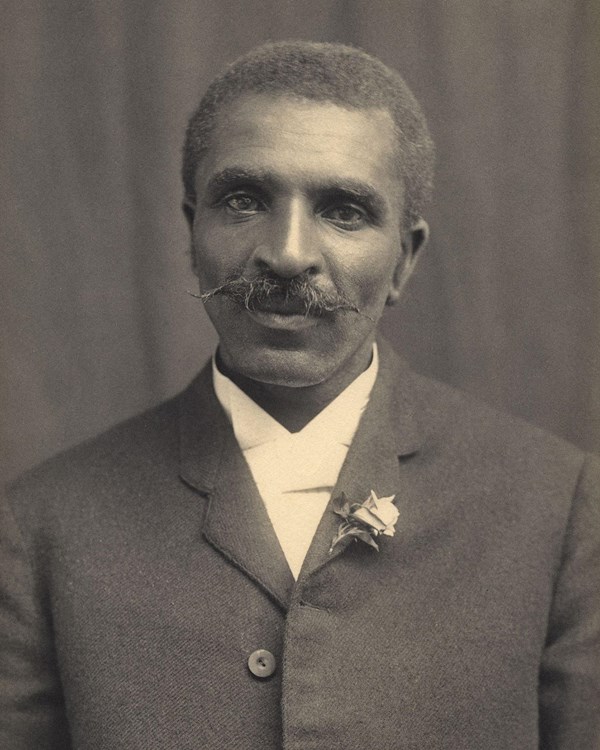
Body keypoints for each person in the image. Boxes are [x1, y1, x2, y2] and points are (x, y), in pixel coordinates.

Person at [1, 40, 598, 750]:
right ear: (192, 230)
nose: (286, 253)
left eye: (344, 211)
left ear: (405, 259)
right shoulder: (45, 526)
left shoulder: (552, 507)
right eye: (245, 199)